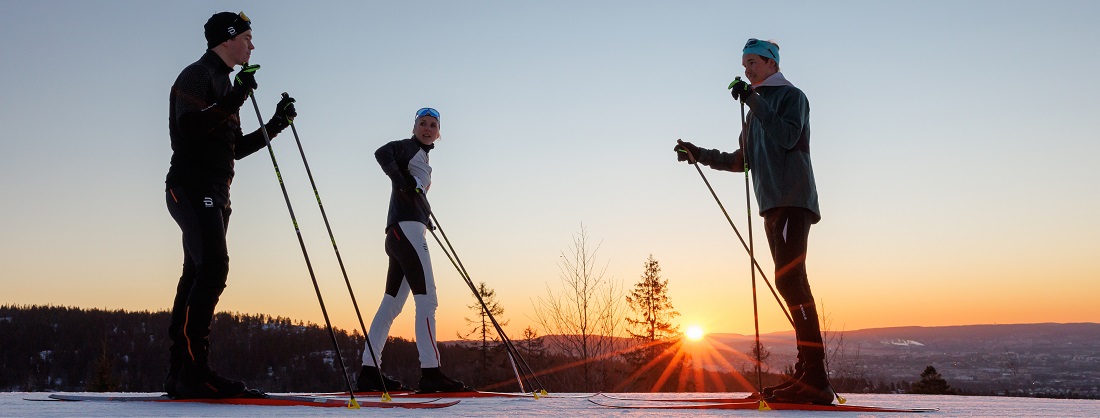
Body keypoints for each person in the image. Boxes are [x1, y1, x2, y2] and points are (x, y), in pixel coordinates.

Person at [674, 38, 834, 404]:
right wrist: (699, 154)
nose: (747, 69)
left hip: (794, 199)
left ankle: (816, 379)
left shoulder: (791, 97)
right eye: (744, 64)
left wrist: (753, 100)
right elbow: (741, 160)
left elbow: (789, 136)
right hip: (771, 206)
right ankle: (806, 376)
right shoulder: (754, 111)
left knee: (790, 278)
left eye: (753, 63)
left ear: (772, 65)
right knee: (789, 283)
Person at [164, 11, 296, 399]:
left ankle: (180, 374)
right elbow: (189, 127)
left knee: (196, 273)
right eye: (247, 38)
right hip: (191, 186)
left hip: (217, 192)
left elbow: (233, 147)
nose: (252, 46)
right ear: (227, 39)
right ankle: (194, 373)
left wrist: (275, 124)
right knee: (213, 268)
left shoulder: (224, 82)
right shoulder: (197, 74)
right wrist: (238, 94)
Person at [355, 107, 472, 393]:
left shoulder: (423, 158)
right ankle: (431, 373)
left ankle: (369, 372)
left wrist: (423, 213)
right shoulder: (408, 147)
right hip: (405, 232)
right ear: (414, 126)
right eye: (423, 123)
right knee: (428, 301)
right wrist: (400, 179)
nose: (428, 128)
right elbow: (382, 153)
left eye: (433, 125)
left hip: (401, 232)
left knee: (391, 305)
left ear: (439, 132)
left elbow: (413, 189)